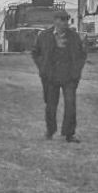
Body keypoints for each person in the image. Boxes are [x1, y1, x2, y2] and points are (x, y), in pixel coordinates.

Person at [31, 11, 88, 142]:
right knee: (50, 105)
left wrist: (76, 71)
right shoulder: (44, 36)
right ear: (55, 20)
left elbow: (82, 54)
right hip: (51, 77)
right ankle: (50, 131)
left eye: (66, 20)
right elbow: (35, 52)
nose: (65, 22)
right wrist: (42, 67)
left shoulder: (74, 37)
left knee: (70, 104)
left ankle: (69, 134)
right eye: (62, 19)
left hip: (69, 77)